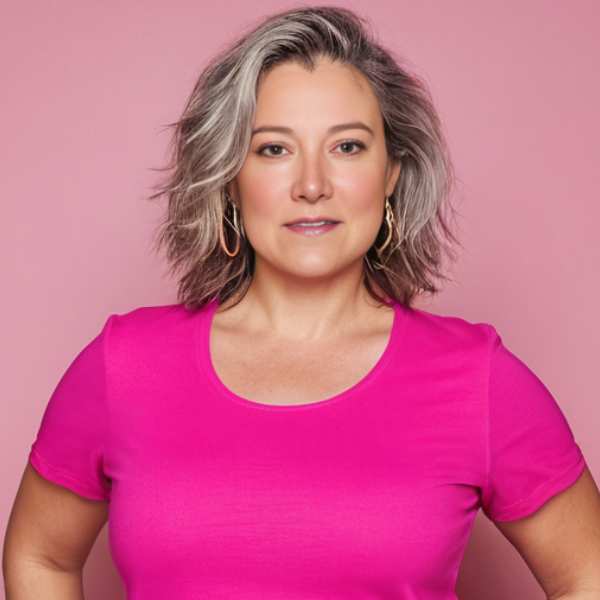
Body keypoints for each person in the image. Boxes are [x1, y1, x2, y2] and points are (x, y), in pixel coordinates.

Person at [3, 6, 600, 600]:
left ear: (392, 173)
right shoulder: (125, 365)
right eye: (273, 150)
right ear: (229, 177)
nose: (312, 185)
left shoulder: (476, 380)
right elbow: (40, 556)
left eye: (347, 146)